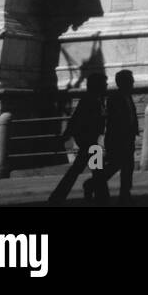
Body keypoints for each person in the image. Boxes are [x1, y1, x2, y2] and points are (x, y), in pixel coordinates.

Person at [47, 73, 107, 205]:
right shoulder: (88, 101)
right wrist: (65, 138)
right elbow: (75, 121)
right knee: (91, 171)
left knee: (89, 171)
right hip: (89, 143)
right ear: (96, 85)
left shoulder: (97, 99)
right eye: (104, 83)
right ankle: (101, 198)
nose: (106, 86)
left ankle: (58, 197)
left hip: (92, 142)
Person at [92, 70, 138, 205]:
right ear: (123, 82)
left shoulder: (127, 96)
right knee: (115, 165)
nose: (133, 82)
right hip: (118, 138)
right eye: (130, 80)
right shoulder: (115, 98)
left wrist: (134, 132)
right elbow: (115, 120)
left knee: (127, 168)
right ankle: (92, 184)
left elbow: (131, 116)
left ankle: (125, 195)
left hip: (128, 138)